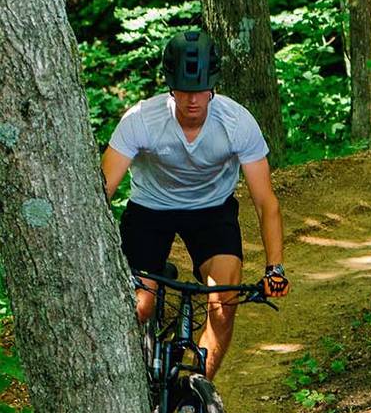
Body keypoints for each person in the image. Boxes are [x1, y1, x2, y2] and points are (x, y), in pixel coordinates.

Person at [101, 29, 288, 380]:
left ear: (213, 86)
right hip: (150, 210)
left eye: (200, 91)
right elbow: (103, 190)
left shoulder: (236, 122)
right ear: (171, 87)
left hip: (212, 211)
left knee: (224, 299)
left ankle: (198, 391)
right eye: (184, 91)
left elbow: (266, 202)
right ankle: (136, 380)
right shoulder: (141, 120)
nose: (192, 101)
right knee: (139, 306)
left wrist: (274, 267)